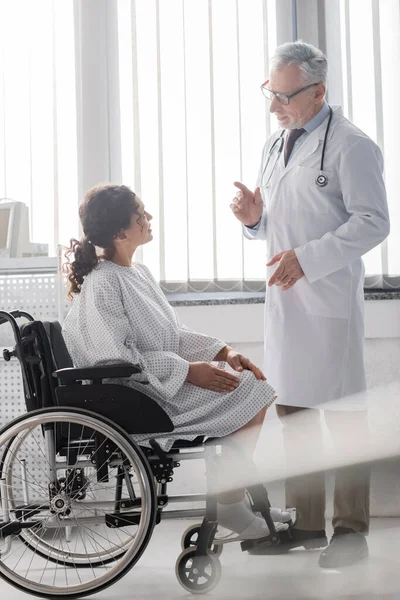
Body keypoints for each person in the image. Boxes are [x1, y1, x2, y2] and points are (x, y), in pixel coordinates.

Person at [230, 41, 390, 567]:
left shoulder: (351, 145)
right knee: (295, 414)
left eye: (283, 95)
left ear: (318, 91)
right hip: (287, 302)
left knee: (343, 419)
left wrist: (309, 259)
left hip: (327, 299)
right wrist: (256, 221)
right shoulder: (277, 145)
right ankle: (305, 526)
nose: (273, 106)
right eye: (269, 93)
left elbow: (373, 222)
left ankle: (350, 532)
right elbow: (284, 224)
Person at [62, 183, 290, 542]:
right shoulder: (104, 282)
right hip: (137, 397)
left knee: (253, 387)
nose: (149, 218)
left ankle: (232, 500)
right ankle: (230, 503)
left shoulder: (138, 274)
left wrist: (223, 352)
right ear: (121, 232)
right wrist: (187, 370)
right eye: (141, 215)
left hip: (158, 385)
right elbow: (114, 359)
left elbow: (175, 335)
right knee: (253, 394)